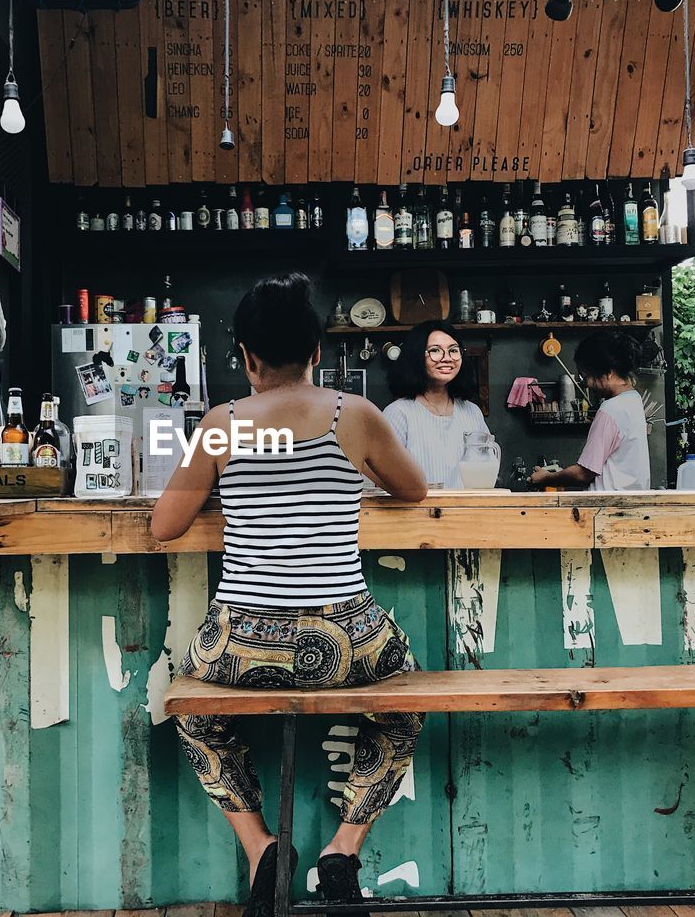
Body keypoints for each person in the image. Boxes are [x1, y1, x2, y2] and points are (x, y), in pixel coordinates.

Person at [151, 273, 427, 917]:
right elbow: (412, 489)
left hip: (240, 642)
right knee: (405, 701)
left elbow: (164, 527)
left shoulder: (221, 426)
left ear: (246, 355)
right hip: (346, 641)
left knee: (192, 710)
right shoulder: (353, 416)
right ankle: (342, 851)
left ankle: (261, 849)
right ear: (317, 352)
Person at [530, 331, 649, 491]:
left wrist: (546, 478)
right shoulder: (633, 399)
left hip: (605, 507)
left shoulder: (611, 409)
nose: (587, 385)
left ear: (609, 372)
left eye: (587, 377)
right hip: (628, 503)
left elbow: (583, 474)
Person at [382, 320, 489, 488]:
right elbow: (385, 476)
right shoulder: (398, 413)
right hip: (416, 512)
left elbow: (486, 469)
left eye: (453, 350)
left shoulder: (472, 412)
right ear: (416, 356)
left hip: (468, 510)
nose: (447, 359)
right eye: (435, 351)